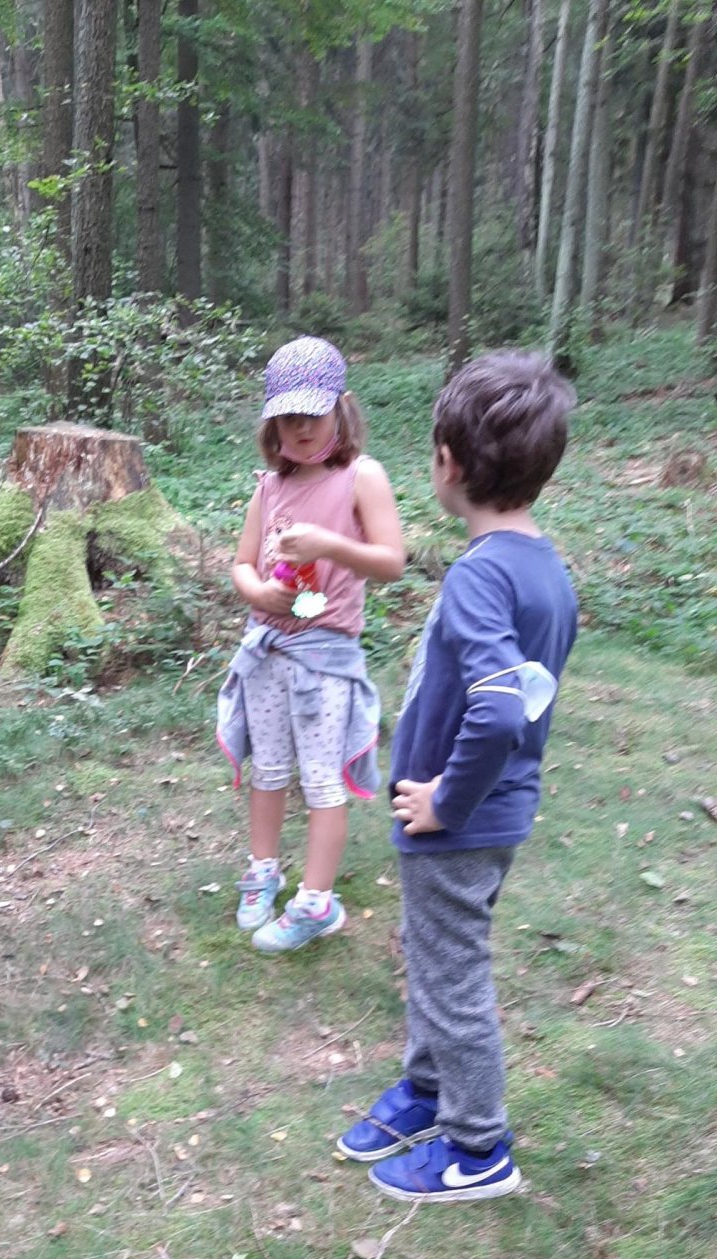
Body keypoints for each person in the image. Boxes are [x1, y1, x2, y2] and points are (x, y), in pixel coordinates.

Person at [338, 351, 578, 1202]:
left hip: (460, 821)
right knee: (436, 957)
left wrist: (445, 800)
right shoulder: (545, 567)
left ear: (447, 462)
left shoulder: (481, 574)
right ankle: (428, 1088)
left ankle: (478, 1147)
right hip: (497, 813)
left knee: (452, 976)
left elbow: (504, 709)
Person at [217, 335, 405, 952]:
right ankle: (263, 871)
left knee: (323, 778)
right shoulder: (269, 488)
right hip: (268, 649)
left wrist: (329, 546)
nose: (301, 429)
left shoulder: (360, 477)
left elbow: (391, 561)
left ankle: (316, 901)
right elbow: (242, 563)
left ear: (341, 409)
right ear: (271, 423)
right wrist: (259, 593)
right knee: (269, 769)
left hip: (325, 657)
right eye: (288, 417)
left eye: (313, 415)